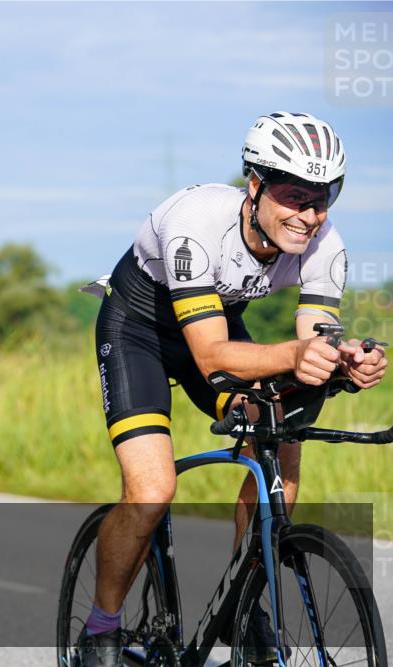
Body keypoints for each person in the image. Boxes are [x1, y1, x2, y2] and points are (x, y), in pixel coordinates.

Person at [79, 112, 387, 666]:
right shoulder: (196, 221)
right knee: (152, 489)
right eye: (294, 197)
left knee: (281, 431)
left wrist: (343, 364)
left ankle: (246, 608)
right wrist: (297, 356)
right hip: (140, 332)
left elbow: (309, 344)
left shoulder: (326, 245)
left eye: (323, 200)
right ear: (256, 186)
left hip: (218, 324)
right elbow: (210, 356)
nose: (308, 216)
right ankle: (101, 629)